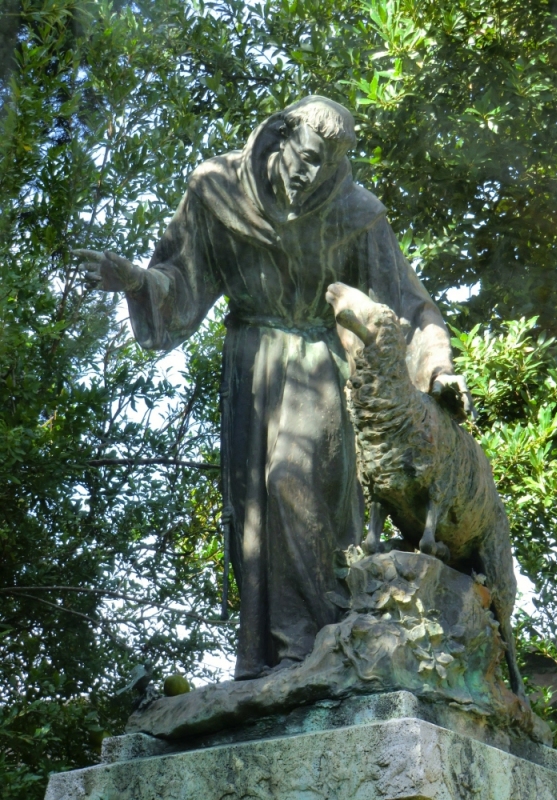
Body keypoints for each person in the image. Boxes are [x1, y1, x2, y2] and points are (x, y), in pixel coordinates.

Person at [74, 96, 471, 681]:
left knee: (292, 483)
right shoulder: (215, 190)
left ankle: (318, 647)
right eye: (306, 157)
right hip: (250, 366)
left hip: (317, 363)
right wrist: (135, 278)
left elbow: (406, 305)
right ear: (280, 137)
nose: (311, 175)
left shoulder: (356, 213)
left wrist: (437, 368)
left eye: (327, 166)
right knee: (251, 516)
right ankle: (270, 660)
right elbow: (183, 281)